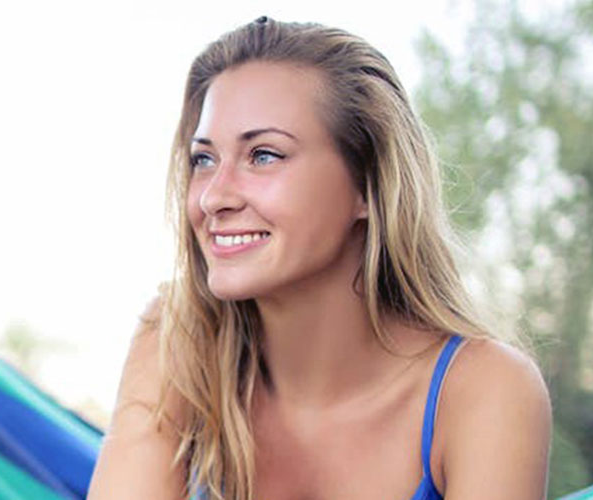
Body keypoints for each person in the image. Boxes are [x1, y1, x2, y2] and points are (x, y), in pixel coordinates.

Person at [89, 17, 551, 500]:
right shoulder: (176, 343)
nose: (213, 198)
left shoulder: (483, 390)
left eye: (264, 155)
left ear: (369, 185)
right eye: (204, 159)